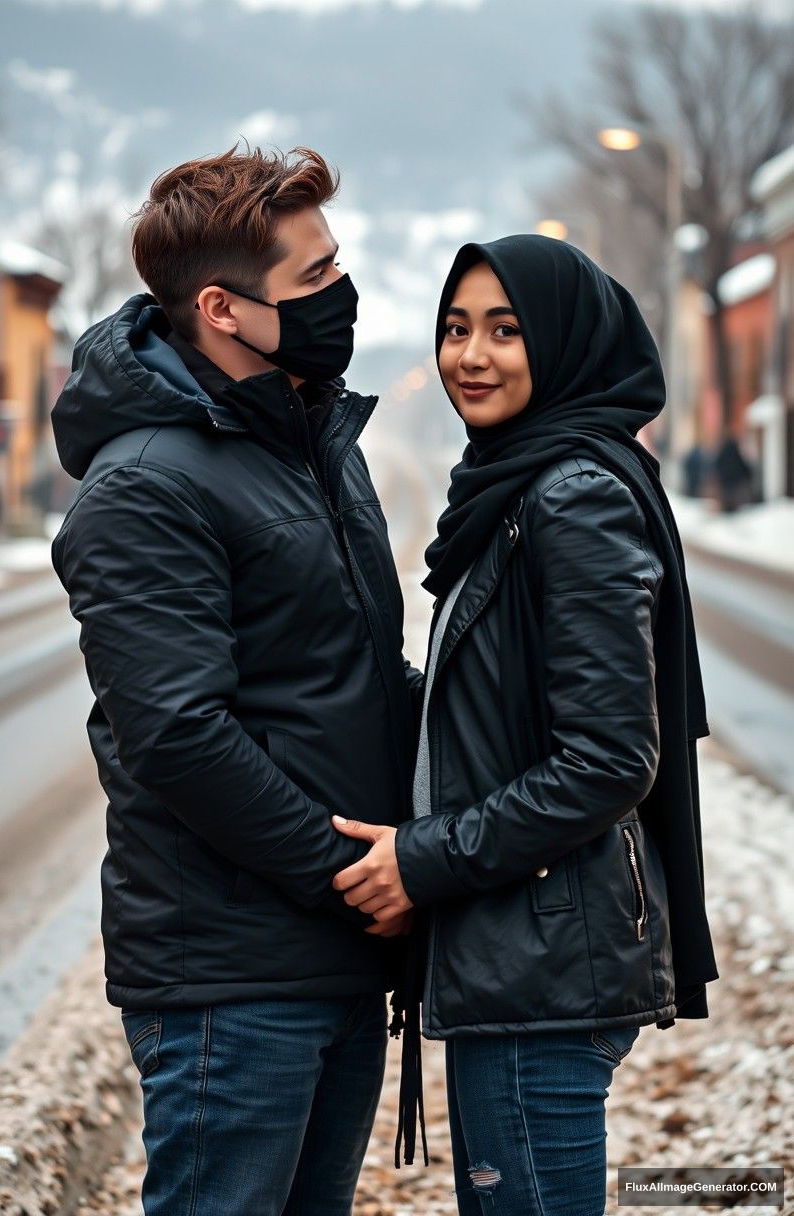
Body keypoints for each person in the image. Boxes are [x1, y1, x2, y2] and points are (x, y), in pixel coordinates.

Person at [50, 144, 422, 1216]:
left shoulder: (309, 442)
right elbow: (177, 735)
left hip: (331, 953)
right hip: (234, 975)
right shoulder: (145, 487)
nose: (339, 296)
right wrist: (348, 876)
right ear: (221, 307)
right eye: (312, 280)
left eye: (335, 266)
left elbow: (342, 673)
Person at [332, 235, 719, 1214]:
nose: (471, 355)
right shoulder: (520, 483)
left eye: (506, 330)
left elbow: (606, 758)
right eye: (455, 328)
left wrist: (426, 857)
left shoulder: (571, 495)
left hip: (546, 957)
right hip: (528, 946)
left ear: (563, 343)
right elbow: (500, 709)